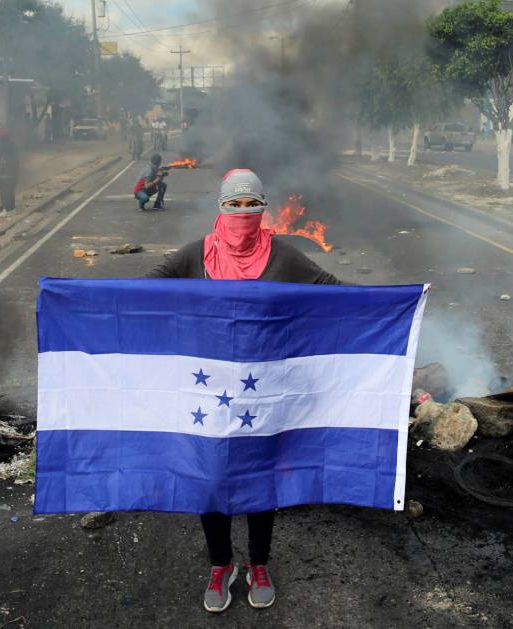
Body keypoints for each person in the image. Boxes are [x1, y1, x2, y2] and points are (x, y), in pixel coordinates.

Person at [145, 168, 340, 613]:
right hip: (208, 392)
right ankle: (220, 564)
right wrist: (84, 298)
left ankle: (259, 563)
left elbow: (332, 290)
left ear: (263, 208)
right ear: (220, 207)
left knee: (260, 475)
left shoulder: (283, 257)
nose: (243, 212)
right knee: (210, 477)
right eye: (234, 204)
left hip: (263, 389)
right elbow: (146, 288)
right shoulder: (195, 256)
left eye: (252, 204)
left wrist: (391, 305)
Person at [0, 127, 19, 216]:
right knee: (10, 191)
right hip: (12, 171)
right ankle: (12, 209)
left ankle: (6, 210)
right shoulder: (12, 144)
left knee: (4, 192)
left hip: (4, 171)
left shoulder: (1, 145)